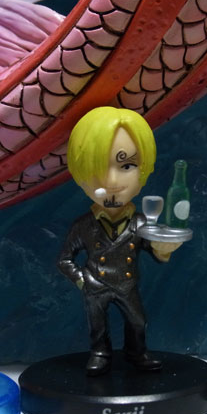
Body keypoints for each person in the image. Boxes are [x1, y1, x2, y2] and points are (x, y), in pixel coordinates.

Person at [58, 107, 181, 376]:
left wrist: (165, 250)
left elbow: (155, 251)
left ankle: (136, 352)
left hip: (126, 284)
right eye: (99, 167)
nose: (112, 181)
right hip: (96, 284)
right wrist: (82, 280)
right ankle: (99, 353)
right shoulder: (83, 225)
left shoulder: (141, 223)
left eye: (127, 166)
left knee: (138, 321)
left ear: (144, 169)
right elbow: (65, 259)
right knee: (97, 324)